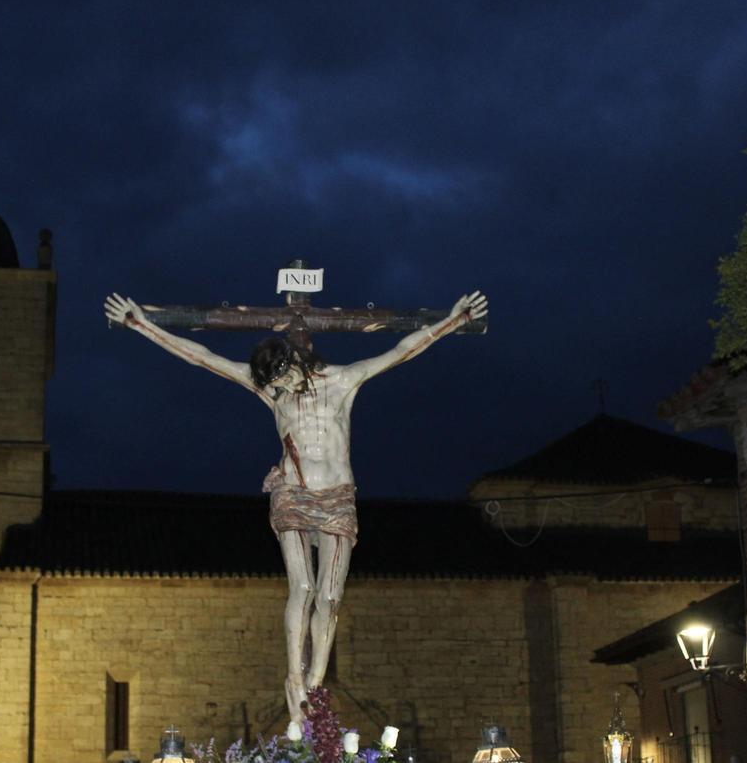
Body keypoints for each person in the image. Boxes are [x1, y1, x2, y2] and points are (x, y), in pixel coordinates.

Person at [103, 290, 488, 721]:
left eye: (282, 381)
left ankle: (316, 683)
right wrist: (141, 324)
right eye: (272, 386)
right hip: (292, 491)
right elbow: (204, 358)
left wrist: (453, 321)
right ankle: (294, 678)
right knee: (302, 587)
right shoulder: (271, 391)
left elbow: (401, 351)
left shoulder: (344, 381)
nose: (278, 390)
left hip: (337, 496)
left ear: (295, 363)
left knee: (329, 595)